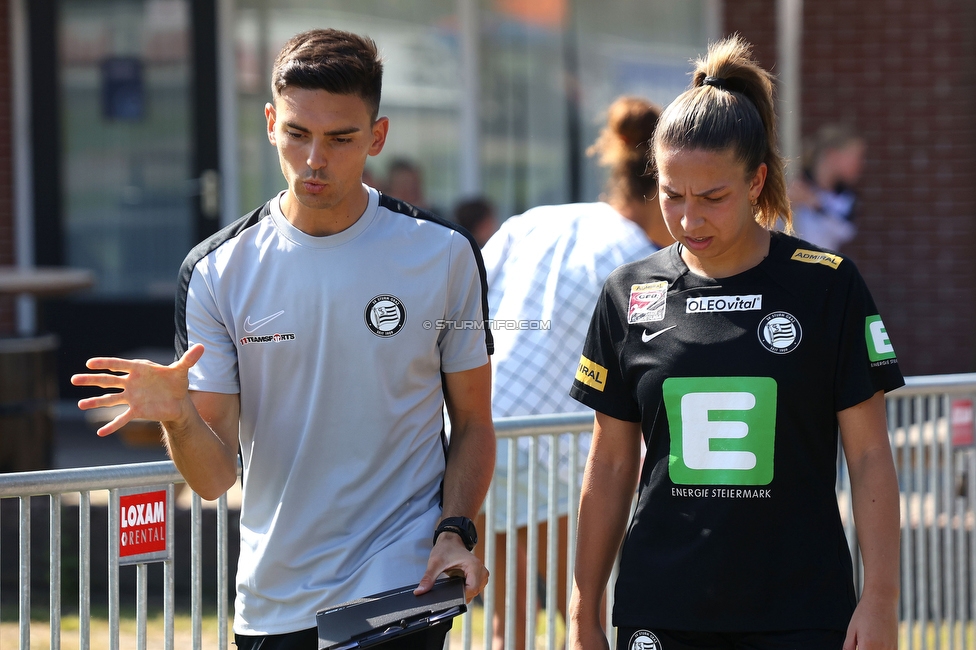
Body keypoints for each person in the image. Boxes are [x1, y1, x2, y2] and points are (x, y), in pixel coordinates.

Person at [71, 28, 495, 650]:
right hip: (276, 600)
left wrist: (455, 529)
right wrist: (178, 416)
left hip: (401, 583)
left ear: (376, 137)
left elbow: (475, 424)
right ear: (271, 124)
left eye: (341, 138)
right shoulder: (218, 270)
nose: (315, 159)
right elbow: (214, 479)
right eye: (298, 134)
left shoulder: (444, 253)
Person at [569, 35, 902, 650]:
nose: (690, 219)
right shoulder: (627, 292)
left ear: (756, 182)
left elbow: (870, 457)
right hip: (660, 610)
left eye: (713, 197)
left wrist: (880, 600)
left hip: (800, 609)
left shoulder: (828, 286)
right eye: (672, 195)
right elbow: (611, 465)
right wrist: (583, 609)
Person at [478, 96, 672, 650]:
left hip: (480, 433)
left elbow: (468, 313)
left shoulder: (534, 222)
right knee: (588, 614)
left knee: (505, 622)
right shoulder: (636, 258)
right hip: (557, 450)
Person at [787, 123, 866, 251]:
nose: (860, 164)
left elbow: (845, 230)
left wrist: (814, 203)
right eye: (856, 157)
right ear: (832, 155)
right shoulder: (796, 182)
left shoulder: (845, 195)